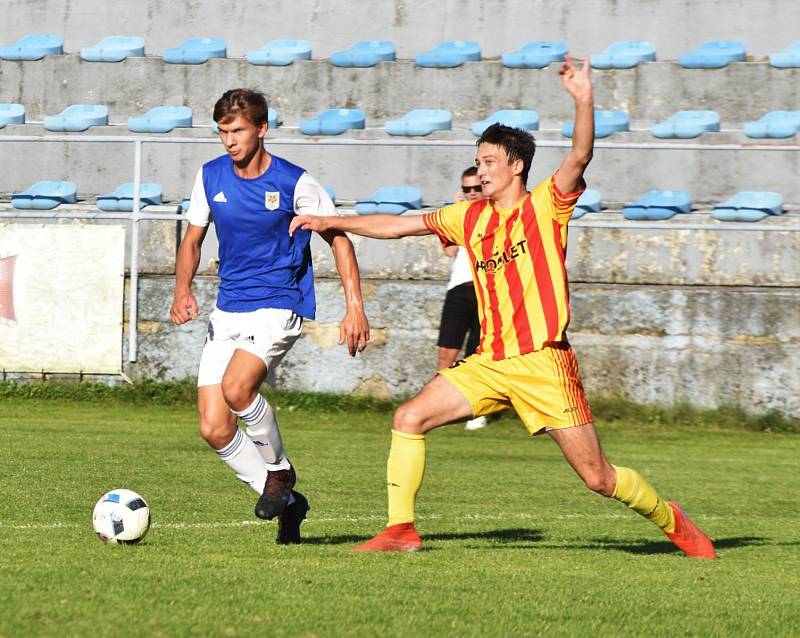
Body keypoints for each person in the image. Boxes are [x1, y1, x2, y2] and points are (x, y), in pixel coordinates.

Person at [289, 55, 716, 559]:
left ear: (516, 165)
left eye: (490, 162)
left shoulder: (546, 205)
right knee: (408, 418)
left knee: (598, 478)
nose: (481, 171)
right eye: (479, 161)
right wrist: (333, 220)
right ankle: (400, 530)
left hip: (543, 362)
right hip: (490, 362)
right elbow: (400, 225)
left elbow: (579, 155)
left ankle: (671, 519)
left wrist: (583, 98)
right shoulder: (469, 217)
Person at [171, 88, 370, 544]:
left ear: (262, 129)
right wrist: (182, 289)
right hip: (229, 307)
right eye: (222, 132)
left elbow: (338, 239)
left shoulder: (295, 182)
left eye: (237, 130)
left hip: (279, 303)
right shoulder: (210, 176)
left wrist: (354, 307)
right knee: (213, 426)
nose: (229, 141)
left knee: (237, 388)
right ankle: (285, 500)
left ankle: (279, 473)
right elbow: (193, 240)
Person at [438, 166, 486, 430]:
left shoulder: (494, 212)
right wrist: (453, 213)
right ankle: (440, 406)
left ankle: (476, 408)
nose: (471, 193)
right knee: (446, 351)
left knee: (477, 352)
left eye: (476, 188)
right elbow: (449, 251)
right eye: (466, 189)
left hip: (486, 289)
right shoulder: (458, 215)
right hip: (458, 287)